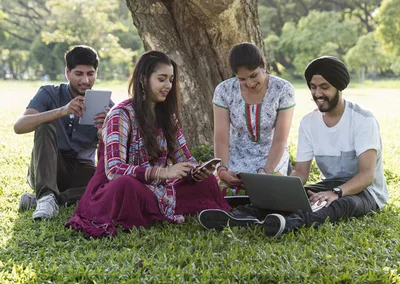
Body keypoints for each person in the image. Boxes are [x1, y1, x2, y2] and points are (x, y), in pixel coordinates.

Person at [198, 56, 389, 236]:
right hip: (330, 185)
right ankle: (240, 216)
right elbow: (301, 174)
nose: (318, 93)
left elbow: (367, 176)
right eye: (313, 87)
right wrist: (281, 191)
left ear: (339, 87)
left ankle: (290, 223)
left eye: (325, 87)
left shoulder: (363, 120)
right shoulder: (309, 122)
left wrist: (336, 193)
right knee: (301, 195)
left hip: (366, 192)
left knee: (339, 206)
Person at [65, 50, 231, 237]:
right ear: (143, 80)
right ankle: (153, 210)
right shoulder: (121, 114)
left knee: (206, 181)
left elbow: (185, 158)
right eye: (162, 79)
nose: (168, 85)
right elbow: (114, 170)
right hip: (119, 189)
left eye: (170, 79)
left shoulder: (168, 117)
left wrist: (197, 170)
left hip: (157, 189)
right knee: (126, 186)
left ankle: (156, 209)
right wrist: (164, 172)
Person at [14, 45, 112, 220]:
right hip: (48, 167)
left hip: (82, 169)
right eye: (79, 74)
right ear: (67, 73)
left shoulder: (105, 104)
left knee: (113, 184)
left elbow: (118, 151)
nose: (85, 80)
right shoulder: (48, 93)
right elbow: (19, 126)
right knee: (45, 125)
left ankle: (50, 199)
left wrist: (103, 132)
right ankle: (45, 197)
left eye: (90, 74)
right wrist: (61, 111)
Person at [213, 43, 295, 191]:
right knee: (226, 194)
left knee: (266, 192)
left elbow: (280, 139)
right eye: (242, 79)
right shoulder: (224, 90)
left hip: (271, 156)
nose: (250, 83)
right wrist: (222, 169)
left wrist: (266, 171)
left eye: (253, 75)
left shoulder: (283, 89)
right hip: (235, 156)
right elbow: (221, 138)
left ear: (263, 65)